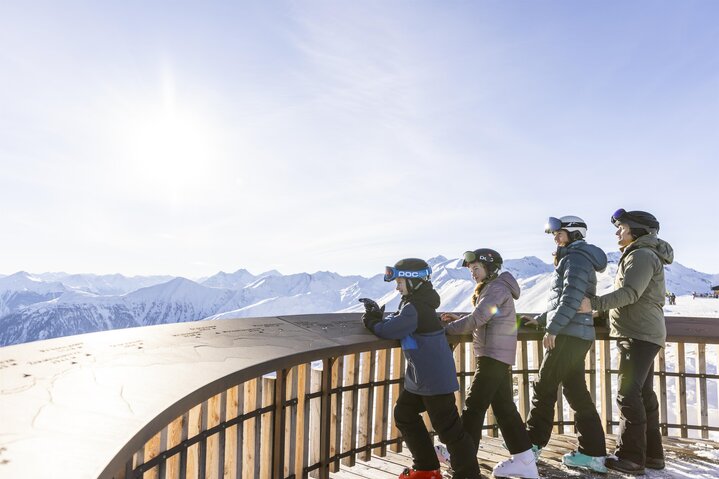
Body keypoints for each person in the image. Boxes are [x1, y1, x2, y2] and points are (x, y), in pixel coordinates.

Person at [361, 258, 481, 479]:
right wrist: (379, 318)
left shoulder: (414, 308)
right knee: (404, 413)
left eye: (400, 282)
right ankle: (426, 468)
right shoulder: (417, 304)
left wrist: (371, 320)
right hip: (424, 379)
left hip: (432, 380)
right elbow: (398, 323)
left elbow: (390, 330)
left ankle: (468, 475)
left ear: (413, 282)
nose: (397, 287)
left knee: (450, 432)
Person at [579, 209, 674, 475]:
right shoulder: (641, 253)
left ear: (637, 230)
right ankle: (653, 456)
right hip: (642, 333)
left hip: (639, 335)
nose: (617, 231)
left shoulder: (641, 255)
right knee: (643, 395)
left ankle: (631, 457)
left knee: (628, 395)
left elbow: (630, 293)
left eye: (622, 227)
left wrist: (593, 305)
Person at [442, 249, 539, 479]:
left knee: (473, 408)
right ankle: (525, 460)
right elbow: (484, 317)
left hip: (492, 356)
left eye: (476, 268)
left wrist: (445, 330)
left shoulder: (496, 288)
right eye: (471, 270)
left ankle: (462, 461)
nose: (473, 273)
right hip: (496, 355)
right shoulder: (495, 288)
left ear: (490, 268)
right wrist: (459, 321)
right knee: (504, 408)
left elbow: (478, 318)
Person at [522, 216, 608, 473]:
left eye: (559, 233)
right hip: (574, 334)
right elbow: (563, 299)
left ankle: (529, 448)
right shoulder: (574, 257)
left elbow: (571, 297)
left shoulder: (576, 258)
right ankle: (593, 454)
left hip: (568, 335)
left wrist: (552, 328)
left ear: (573, 233)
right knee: (576, 393)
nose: (555, 238)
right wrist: (540, 321)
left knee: (544, 386)